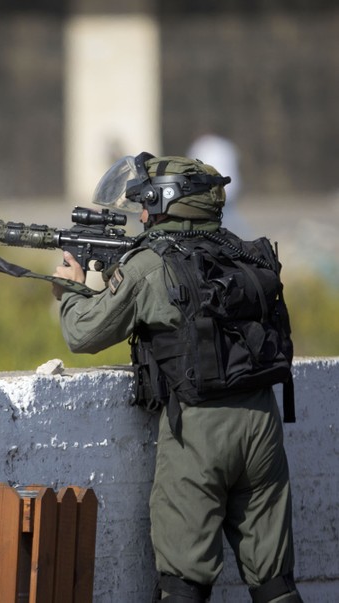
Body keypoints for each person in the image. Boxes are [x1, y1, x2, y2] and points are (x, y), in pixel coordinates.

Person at [52, 153, 302, 602]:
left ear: (164, 202)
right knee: (274, 583)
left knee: (184, 584)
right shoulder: (240, 251)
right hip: (263, 421)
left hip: (198, 431)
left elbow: (82, 334)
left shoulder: (151, 264)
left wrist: (70, 288)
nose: (141, 215)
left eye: (145, 204)